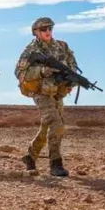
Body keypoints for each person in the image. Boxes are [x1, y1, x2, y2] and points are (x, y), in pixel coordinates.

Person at [14, 17, 76, 177]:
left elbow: (73, 65)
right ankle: (55, 164)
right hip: (41, 92)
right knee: (57, 124)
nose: (48, 31)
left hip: (58, 92)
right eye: (43, 29)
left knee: (48, 127)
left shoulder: (62, 46)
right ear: (35, 32)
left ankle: (30, 156)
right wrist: (42, 71)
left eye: (50, 28)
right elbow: (19, 73)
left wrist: (71, 79)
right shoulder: (30, 50)